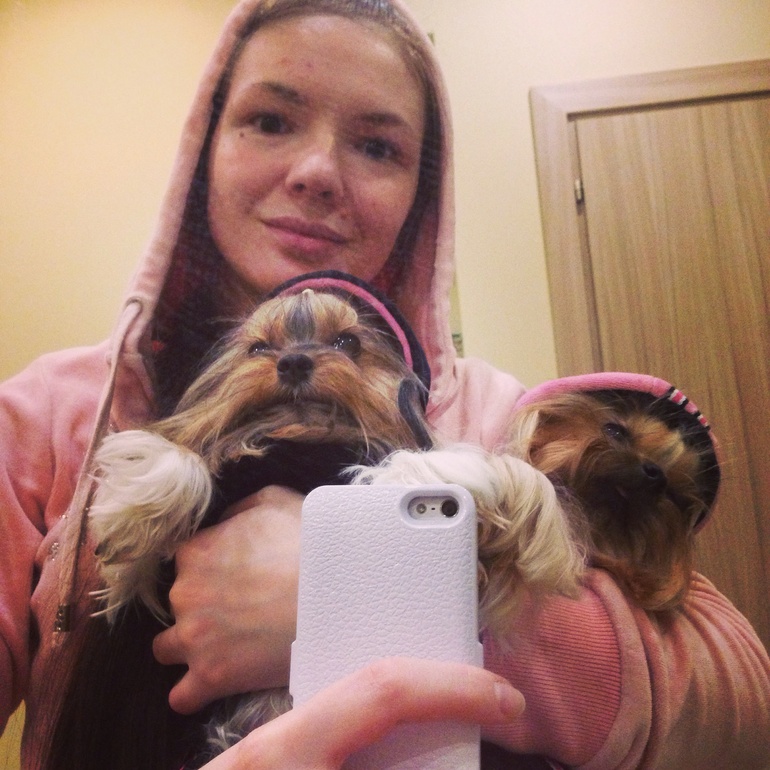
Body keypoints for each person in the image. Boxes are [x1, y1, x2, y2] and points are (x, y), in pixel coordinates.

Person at [0, 0, 768, 768]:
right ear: (205, 146)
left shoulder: (502, 419)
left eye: (376, 145)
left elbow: (741, 707)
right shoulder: (48, 415)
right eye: (270, 121)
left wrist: (373, 595)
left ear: (419, 195)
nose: (316, 173)